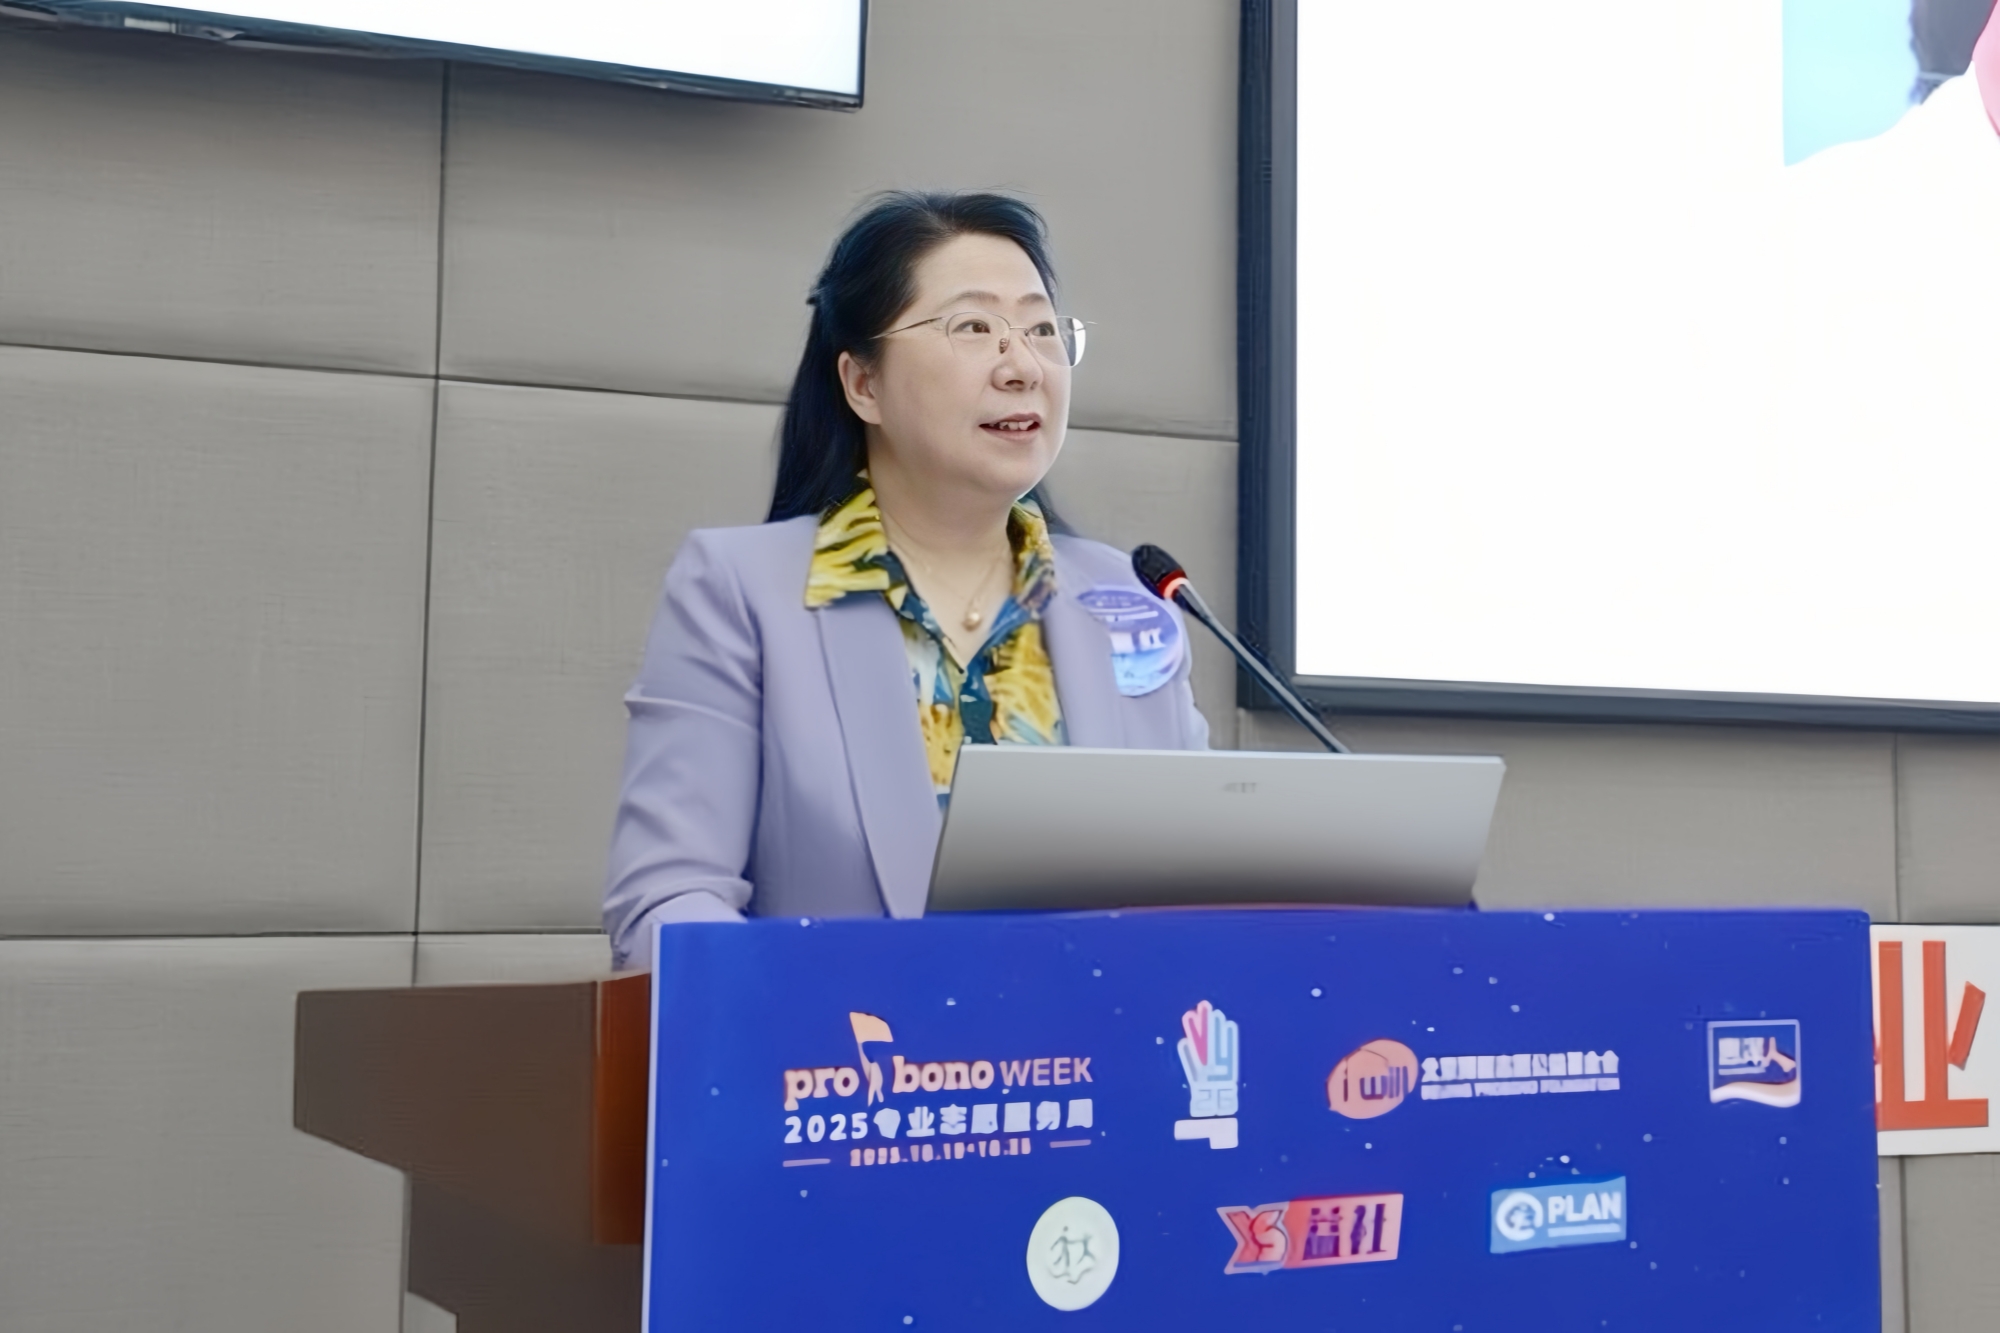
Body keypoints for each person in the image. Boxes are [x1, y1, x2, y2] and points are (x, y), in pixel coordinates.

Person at [602, 192, 1209, 969]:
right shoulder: (740, 593)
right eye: (974, 328)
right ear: (863, 383)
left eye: (1041, 330)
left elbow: (1198, 883)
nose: (1023, 367)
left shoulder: (1131, 600)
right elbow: (669, 898)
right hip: (844, 1040)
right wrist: (797, 1016)